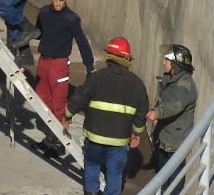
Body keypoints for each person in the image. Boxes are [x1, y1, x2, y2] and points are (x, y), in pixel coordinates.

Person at [63, 37, 150, 195]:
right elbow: (141, 113)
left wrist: (67, 115)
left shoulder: (97, 77)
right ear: (127, 59)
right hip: (119, 141)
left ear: (109, 57)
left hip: (94, 137)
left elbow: (79, 97)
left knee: (92, 166)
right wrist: (136, 134)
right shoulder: (137, 84)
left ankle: (91, 192)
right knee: (115, 174)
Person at [33, 0, 94, 157]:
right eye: (55, 0)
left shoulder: (72, 19)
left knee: (58, 103)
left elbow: (82, 41)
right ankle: (50, 139)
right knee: (43, 100)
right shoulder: (44, 12)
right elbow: (38, 32)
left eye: (61, 0)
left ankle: (59, 143)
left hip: (59, 64)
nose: (58, 3)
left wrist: (89, 66)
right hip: (43, 62)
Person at [146, 44, 197, 194]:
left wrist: (157, 112)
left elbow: (175, 105)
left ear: (175, 64)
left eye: (167, 60)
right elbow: (164, 101)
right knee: (163, 181)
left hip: (176, 144)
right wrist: (157, 113)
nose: (164, 62)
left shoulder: (184, 84)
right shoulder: (170, 79)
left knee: (173, 185)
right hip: (164, 140)